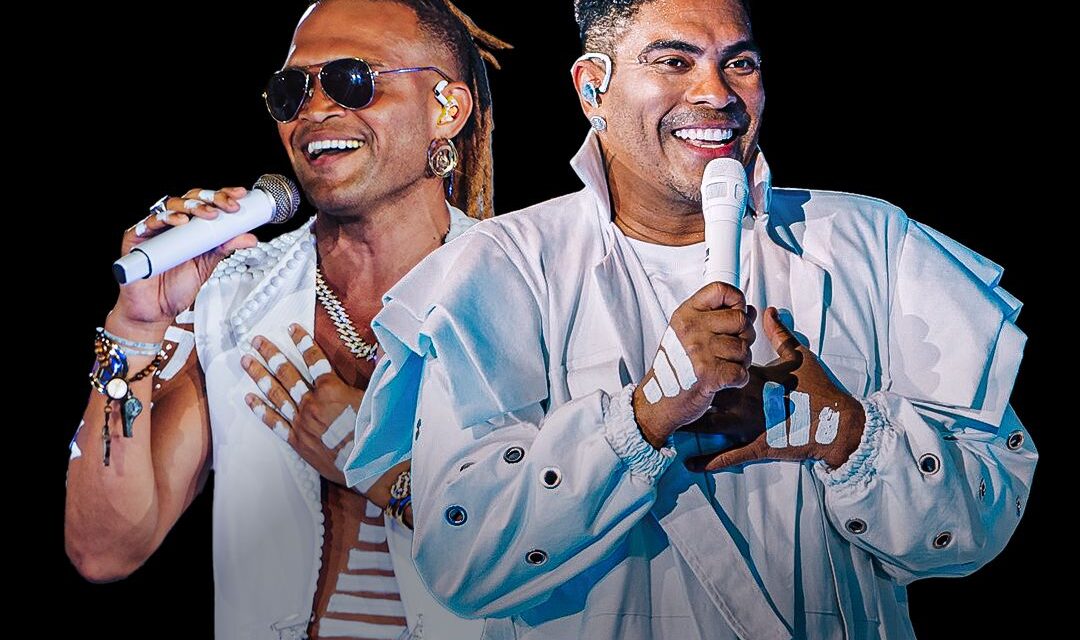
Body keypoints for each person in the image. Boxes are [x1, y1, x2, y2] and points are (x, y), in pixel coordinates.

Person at [344, 0, 1037, 637]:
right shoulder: (503, 267)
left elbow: (982, 521)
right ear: (592, 88)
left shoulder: (872, 243)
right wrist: (641, 420)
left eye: (740, 63)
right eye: (674, 61)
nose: (716, 94)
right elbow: (462, 563)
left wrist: (848, 435)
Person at [64, 1, 507, 637]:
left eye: (353, 79)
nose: (315, 109)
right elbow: (104, 550)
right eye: (292, 89)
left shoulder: (522, 290)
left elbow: (568, 538)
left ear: (447, 107)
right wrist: (136, 326)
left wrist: (368, 459)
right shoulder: (233, 299)